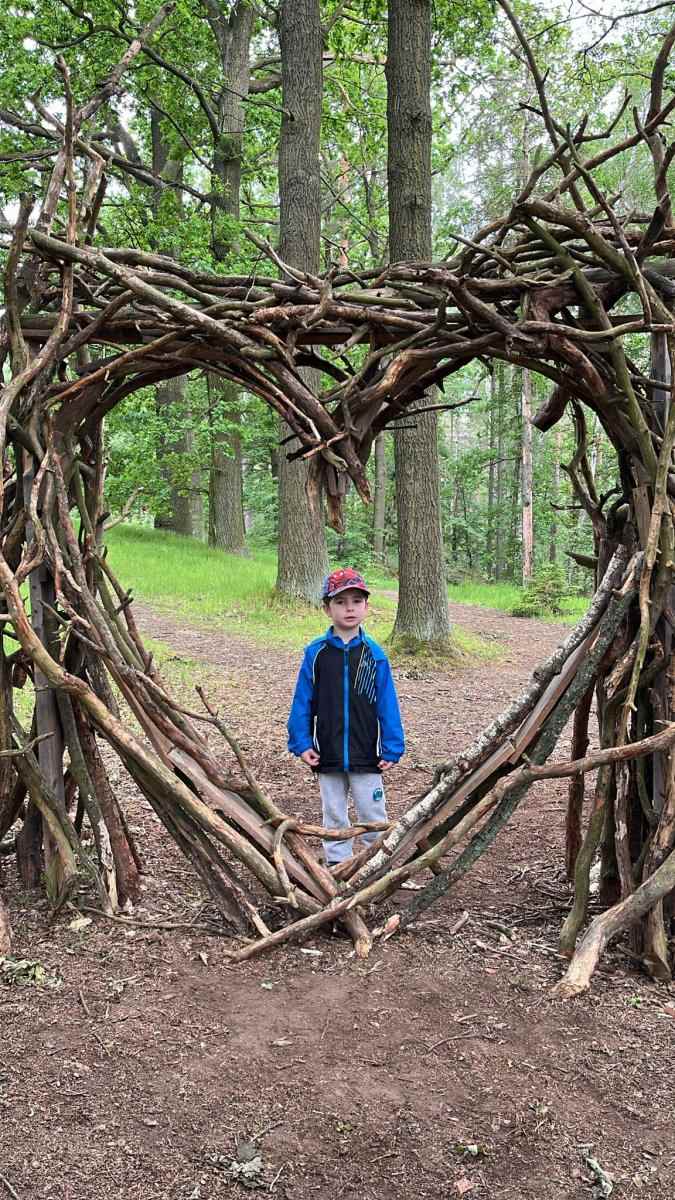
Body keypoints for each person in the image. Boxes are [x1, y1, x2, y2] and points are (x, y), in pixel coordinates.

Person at [287, 567, 405, 869]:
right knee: (334, 813)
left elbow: (387, 705)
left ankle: (376, 863)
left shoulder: (374, 655)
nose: (349, 608)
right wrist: (302, 742)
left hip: (366, 753)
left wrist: (392, 747)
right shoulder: (316, 654)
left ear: (366, 606)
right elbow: (302, 701)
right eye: (340, 602)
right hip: (327, 751)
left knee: (372, 812)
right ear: (327, 608)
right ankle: (337, 864)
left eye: (356, 601)